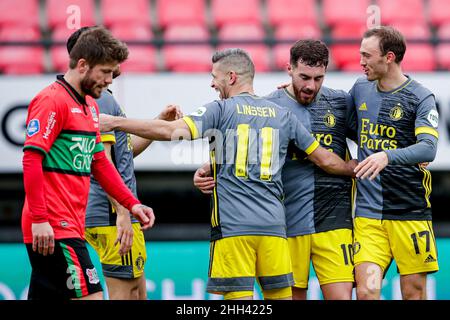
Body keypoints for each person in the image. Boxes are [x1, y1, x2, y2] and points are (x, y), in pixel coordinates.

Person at [99, 48, 357, 300]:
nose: (213, 83)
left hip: (235, 230)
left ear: (231, 77)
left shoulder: (220, 110)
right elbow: (324, 159)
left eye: (215, 76)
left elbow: (170, 132)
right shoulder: (283, 114)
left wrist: (116, 122)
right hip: (275, 231)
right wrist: (356, 167)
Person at [194, 40, 357, 300]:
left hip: (334, 220)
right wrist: (207, 169)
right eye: (304, 77)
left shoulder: (340, 102)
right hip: (288, 222)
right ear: (288, 69)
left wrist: (390, 157)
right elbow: (243, 153)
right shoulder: (271, 106)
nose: (310, 85)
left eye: (318, 78)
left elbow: (370, 140)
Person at [21, 26, 155, 300]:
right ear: (82, 65)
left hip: (70, 224)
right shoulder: (51, 100)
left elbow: (100, 164)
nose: (110, 80)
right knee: (92, 295)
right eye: (105, 72)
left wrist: (131, 203)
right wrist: (40, 219)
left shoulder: (90, 107)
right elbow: (32, 159)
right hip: (54, 227)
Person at [65, 27, 181, 300]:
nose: (113, 71)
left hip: (104, 211)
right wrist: (123, 213)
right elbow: (102, 161)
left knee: (137, 291)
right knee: (126, 293)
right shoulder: (100, 98)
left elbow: (123, 154)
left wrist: (159, 122)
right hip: (109, 213)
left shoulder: (94, 96)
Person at [350, 26, 439, 300]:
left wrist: (388, 155)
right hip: (368, 216)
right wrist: (291, 92)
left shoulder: (420, 97)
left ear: (389, 57)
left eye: (367, 55)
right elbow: (341, 123)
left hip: (409, 215)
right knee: (367, 292)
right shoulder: (360, 89)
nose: (361, 61)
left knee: (413, 293)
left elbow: (429, 148)